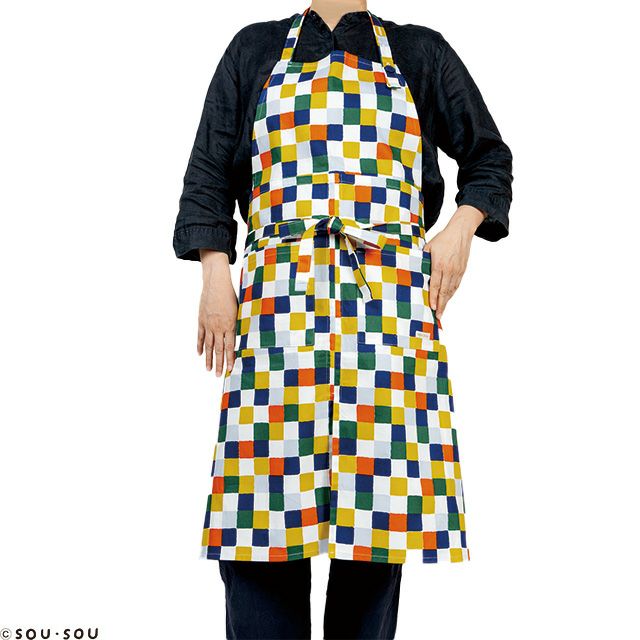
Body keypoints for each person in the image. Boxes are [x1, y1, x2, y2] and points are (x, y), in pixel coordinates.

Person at [173, 1, 513, 638]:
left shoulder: (419, 52)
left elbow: (489, 158)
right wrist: (215, 271)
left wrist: (459, 232)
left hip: (386, 311)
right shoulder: (254, 48)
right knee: (261, 527)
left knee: (375, 534)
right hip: (277, 310)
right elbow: (209, 173)